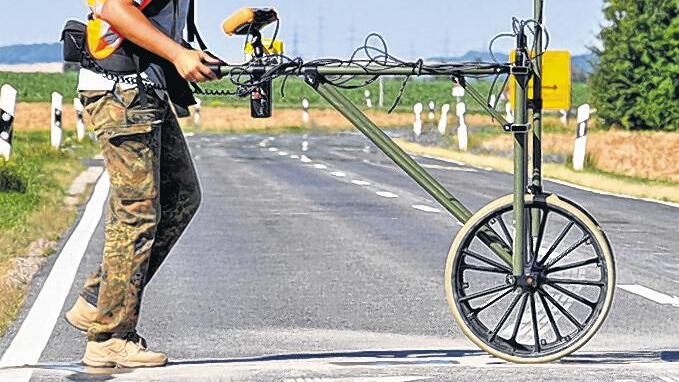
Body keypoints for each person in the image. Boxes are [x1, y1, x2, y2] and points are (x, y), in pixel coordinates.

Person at [63, 0, 218, 368]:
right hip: (122, 92)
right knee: (136, 212)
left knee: (181, 194)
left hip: (144, 88)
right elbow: (114, 9)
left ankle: (98, 298)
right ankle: (109, 336)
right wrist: (178, 54)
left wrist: (189, 56)